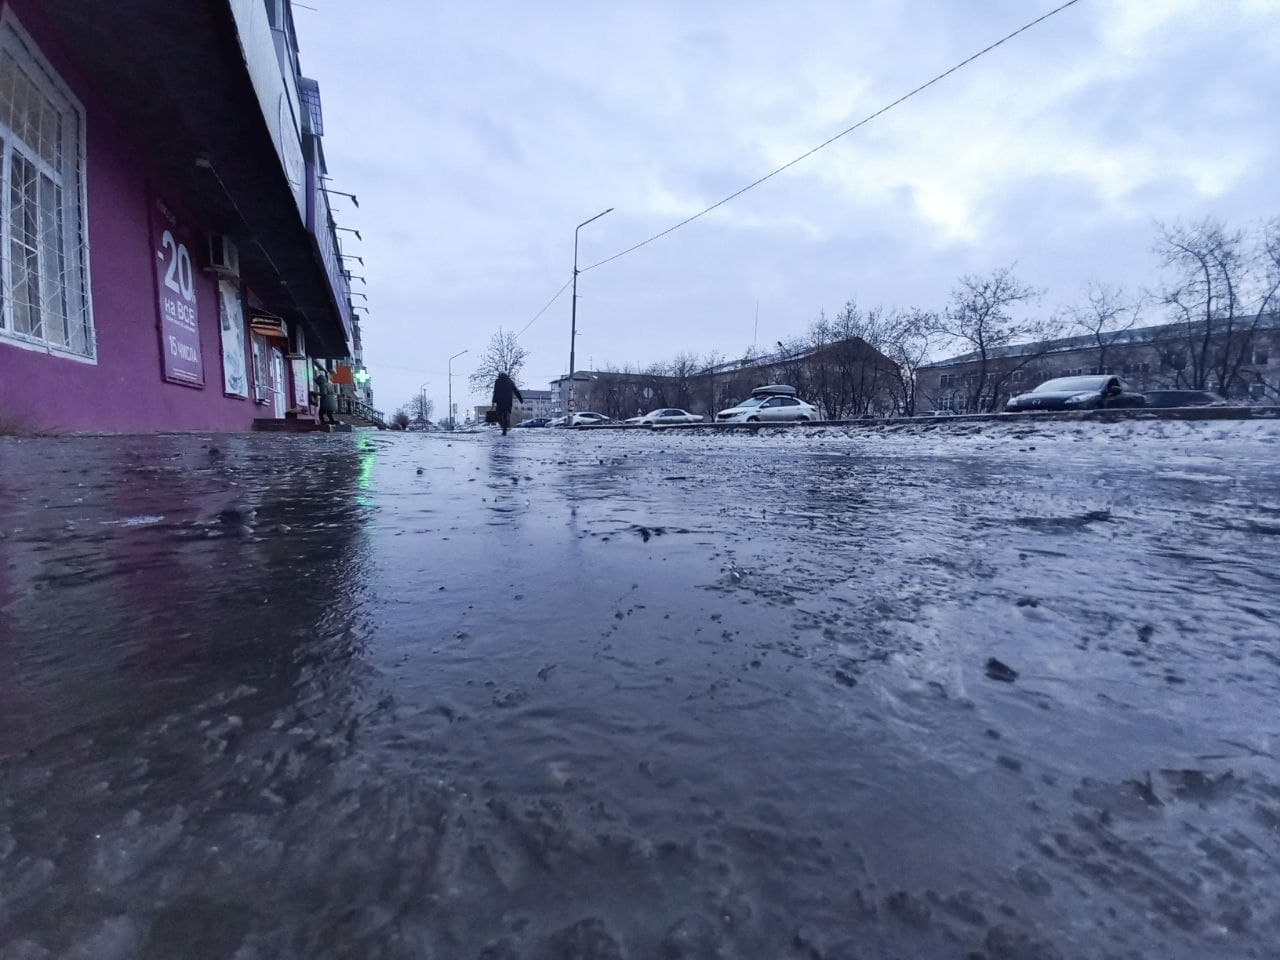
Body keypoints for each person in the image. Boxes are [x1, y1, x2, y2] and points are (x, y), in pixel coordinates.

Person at [491, 371, 524, 435]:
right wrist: (520, 399)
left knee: (499, 416)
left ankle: (503, 426)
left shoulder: (497, 381)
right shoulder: (510, 381)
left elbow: (495, 391)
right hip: (508, 402)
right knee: (505, 416)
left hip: (500, 402)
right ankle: (504, 430)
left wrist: (493, 401)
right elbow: (515, 390)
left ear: (500, 375)